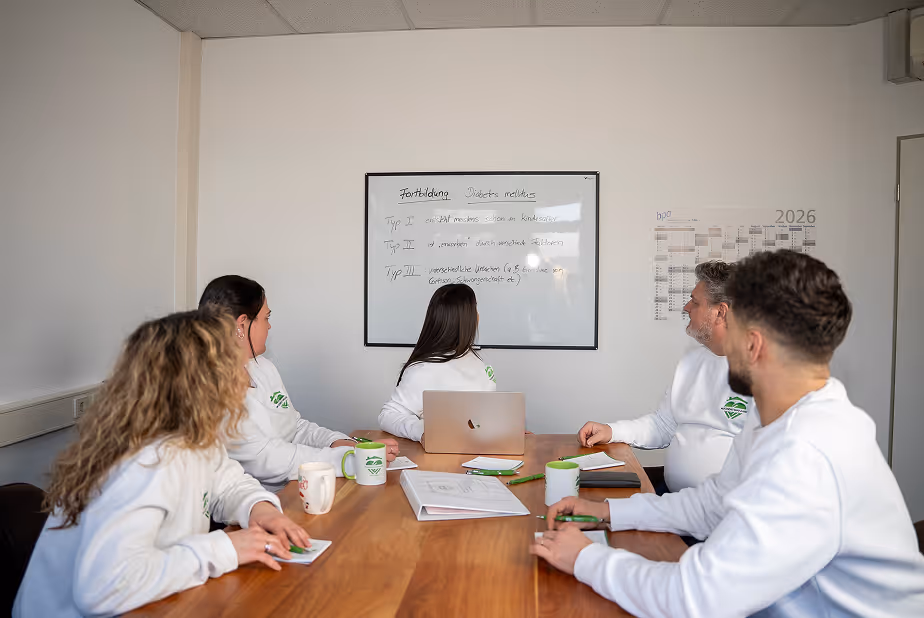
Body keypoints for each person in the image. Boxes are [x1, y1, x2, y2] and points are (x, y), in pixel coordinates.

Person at [533, 250, 924, 617]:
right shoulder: (781, 417)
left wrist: (584, 558)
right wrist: (606, 512)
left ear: (752, 344)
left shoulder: (805, 453)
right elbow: (714, 502)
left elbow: (697, 598)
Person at [14, 309, 310, 618]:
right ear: (200, 381)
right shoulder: (148, 459)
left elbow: (227, 482)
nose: (244, 374)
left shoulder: (192, 435)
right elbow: (103, 589)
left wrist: (258, 509)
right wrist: (225, 549)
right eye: (232, 365)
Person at [199, 275, 399, 491]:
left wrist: (338, 442)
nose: (269, 326)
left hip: (293, 488)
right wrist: (349, 459)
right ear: (242, 324)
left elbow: (295, 427)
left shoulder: (263, 368)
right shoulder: (210, 387)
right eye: (266, 318)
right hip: (252, 507)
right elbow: (264, 458)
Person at [578, 261, 751, 493]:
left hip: (725, 515)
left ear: (721, 312)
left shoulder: (763, 373)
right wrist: (611, 431)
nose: (686, 307)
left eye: (695, 302)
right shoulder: (690, 362)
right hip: (672, 499)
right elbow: (663, 426)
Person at [378, 283, 496, 442]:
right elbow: (388, 415)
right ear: (468, 319)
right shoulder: (423, 370)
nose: (478, 315)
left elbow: (482, 417)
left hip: (478, 450)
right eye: (475, 309)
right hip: (441, 458)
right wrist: (422, 431)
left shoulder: (477, 363)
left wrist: (506, 429)